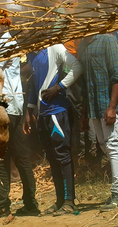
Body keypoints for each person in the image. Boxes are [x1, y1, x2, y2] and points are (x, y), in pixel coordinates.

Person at [81, 32, 118, 211]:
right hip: (93, 104)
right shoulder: (83, 44)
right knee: (105, 145)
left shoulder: (108, 40)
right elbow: (85, 81)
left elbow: (117, 75)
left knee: (112, 144)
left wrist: (112, 106)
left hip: (108, 103)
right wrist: (84, 112)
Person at [27, 43, 82, 215]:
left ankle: (69, 201)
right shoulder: (31, 55)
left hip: (57, 111)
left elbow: (77, 67)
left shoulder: (55, 48)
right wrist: (28, 111)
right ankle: (59, 201)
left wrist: (59, 87)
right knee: (51, 156)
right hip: (42, 114)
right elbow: (34, 86)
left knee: (62, 154)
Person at [0, 40, 40, 218]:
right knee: (21, 156)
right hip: (14, 107)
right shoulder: (9, 41)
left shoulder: (1, 42)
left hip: (4, 109)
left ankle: (3, 205)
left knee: (2, 159)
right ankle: (30, 204)